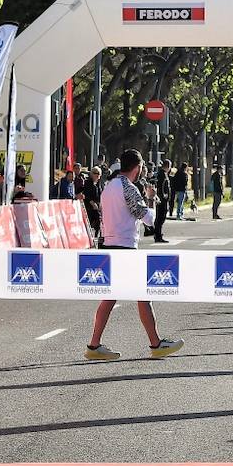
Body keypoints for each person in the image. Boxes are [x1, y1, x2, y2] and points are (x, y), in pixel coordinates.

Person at [86, 149, 184, 361]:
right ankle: (155, 343)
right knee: (142, 294)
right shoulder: (127, 188)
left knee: (110, 297)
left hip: (109, 244)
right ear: (137, 168)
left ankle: (94, 345)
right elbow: (148, 218)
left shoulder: (108, 187)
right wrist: (150, 199)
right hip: (125, 247)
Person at [150, 159, 172, 243]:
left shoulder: (161, 174)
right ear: (168, 166)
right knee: (161, 218)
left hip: (161, 199)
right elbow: (162, 186)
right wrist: (164, 195)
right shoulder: (162, 174)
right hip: (162, 200)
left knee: (160, 218)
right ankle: (158, 235)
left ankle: (158, 234)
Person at [80, 165, 103, 238]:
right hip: (89, 205)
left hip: (97, 205)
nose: (97, 175)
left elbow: (101, 194)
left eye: (99, 174)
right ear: (92, 174)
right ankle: (87, 236)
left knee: (99, 221)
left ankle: (96, 236)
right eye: (96, 173)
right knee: (88, 222)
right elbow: (86, 194)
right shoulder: (88, 183)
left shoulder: (99, 184)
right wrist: (92, 203)